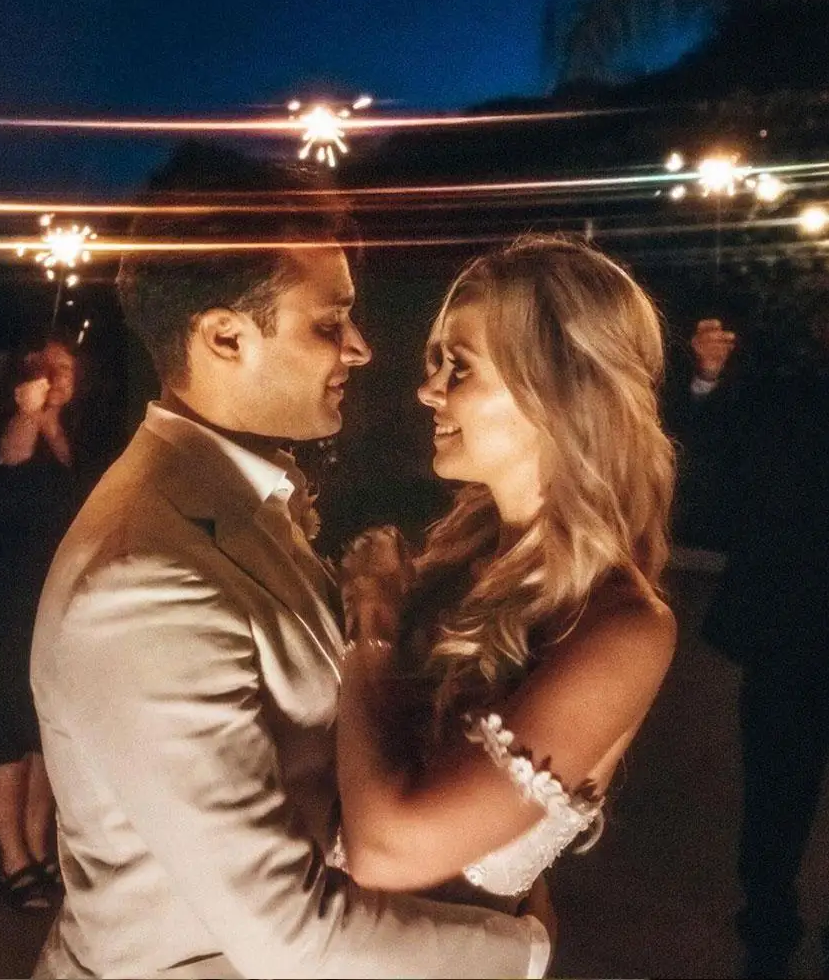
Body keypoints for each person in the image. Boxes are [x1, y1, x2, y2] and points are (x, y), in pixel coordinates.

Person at [29, 148, 552, 979]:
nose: (360, 348)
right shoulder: (143, 580)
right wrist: (522, 951)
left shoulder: (231, 500)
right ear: (225, 335)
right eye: (328, 322)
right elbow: (285, 933)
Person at [335, 237, 678, 936]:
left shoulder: (624, 627)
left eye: (458, 366)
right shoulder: (450, 559)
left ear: (556, 392)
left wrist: (370, 622)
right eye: (436, 363)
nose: (427, 389)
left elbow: (385, 849)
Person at [677, 312, 829, 978]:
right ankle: (767, 926)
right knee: (776, 789)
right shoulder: (787, 389)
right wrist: (706, 378)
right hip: (789, 625)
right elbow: (713, 445)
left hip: (789, 622)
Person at [0, 336, 86, 911]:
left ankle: (38, 843)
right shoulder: (14, 429)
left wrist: (49, 420)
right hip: (7, 603)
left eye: (69, 368)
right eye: (53, 367)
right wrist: (30, 411)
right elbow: (11, 459)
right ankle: (13, 857)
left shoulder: (69, 436)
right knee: (7, 732)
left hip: (54, 601)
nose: (63, 376)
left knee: (42, 733)